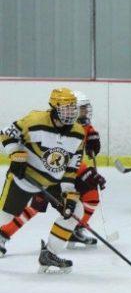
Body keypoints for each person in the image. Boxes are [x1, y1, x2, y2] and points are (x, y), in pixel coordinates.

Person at [0, 91, 105, 250]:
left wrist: (92, 137)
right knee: (33, 205)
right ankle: (3, 233)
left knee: (89, 198)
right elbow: (10, 135)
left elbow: (73, 158)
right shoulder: (42, 123)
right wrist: (86, 173)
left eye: (83, 109)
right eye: (80, 109)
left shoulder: (80, 127)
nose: (82, 112)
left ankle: (74, 230)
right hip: (46, 172)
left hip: (62, 174)